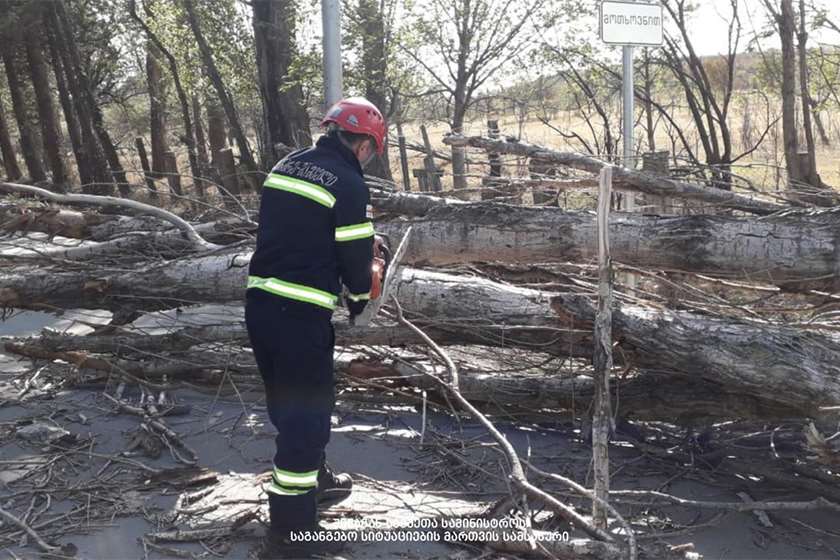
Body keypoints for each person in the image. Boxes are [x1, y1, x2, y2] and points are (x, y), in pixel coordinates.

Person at [245, 97, 387, 558]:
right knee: (305, 420)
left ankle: (315, 481)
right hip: (300, 314)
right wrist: (364, 293)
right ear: (364, 145)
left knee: (287, 407)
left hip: (260, 305)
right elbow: (356, 263)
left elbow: (297, 231)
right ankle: (291, 534)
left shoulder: (286, 165)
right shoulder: (349, 183)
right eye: (371, 150)